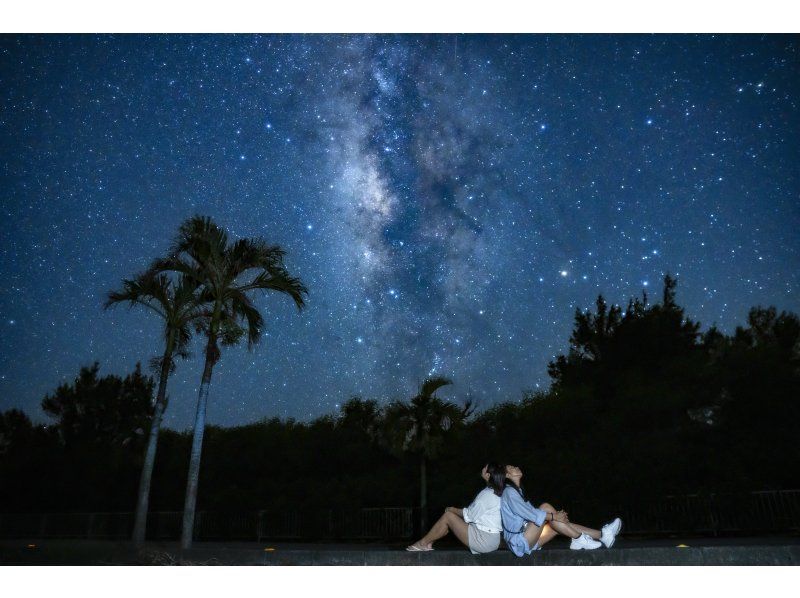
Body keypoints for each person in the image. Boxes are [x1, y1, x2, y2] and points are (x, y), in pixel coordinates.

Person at [500, 464, 622, 556]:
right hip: (519, 542)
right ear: (507, 475)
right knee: (545, 507)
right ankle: (579, 538)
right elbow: (530, 513)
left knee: (558, 525)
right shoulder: (509, 492)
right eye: (511, 467)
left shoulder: (517, 491)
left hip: (526, 538)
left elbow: (530, 515)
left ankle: (602, 535)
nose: (516, 467)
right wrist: (554, 516)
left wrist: (556, 517)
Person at [406, 462, 505, 554]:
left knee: (448, 516)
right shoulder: (499, 492)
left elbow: (469, 515)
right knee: (450, 520)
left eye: (484, 468)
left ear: (488, 475)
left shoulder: (487, 494)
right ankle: (428, 543)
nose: (482, 469)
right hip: (493, 540)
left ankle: (422, 543)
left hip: (484, 540)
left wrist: (452, 509)